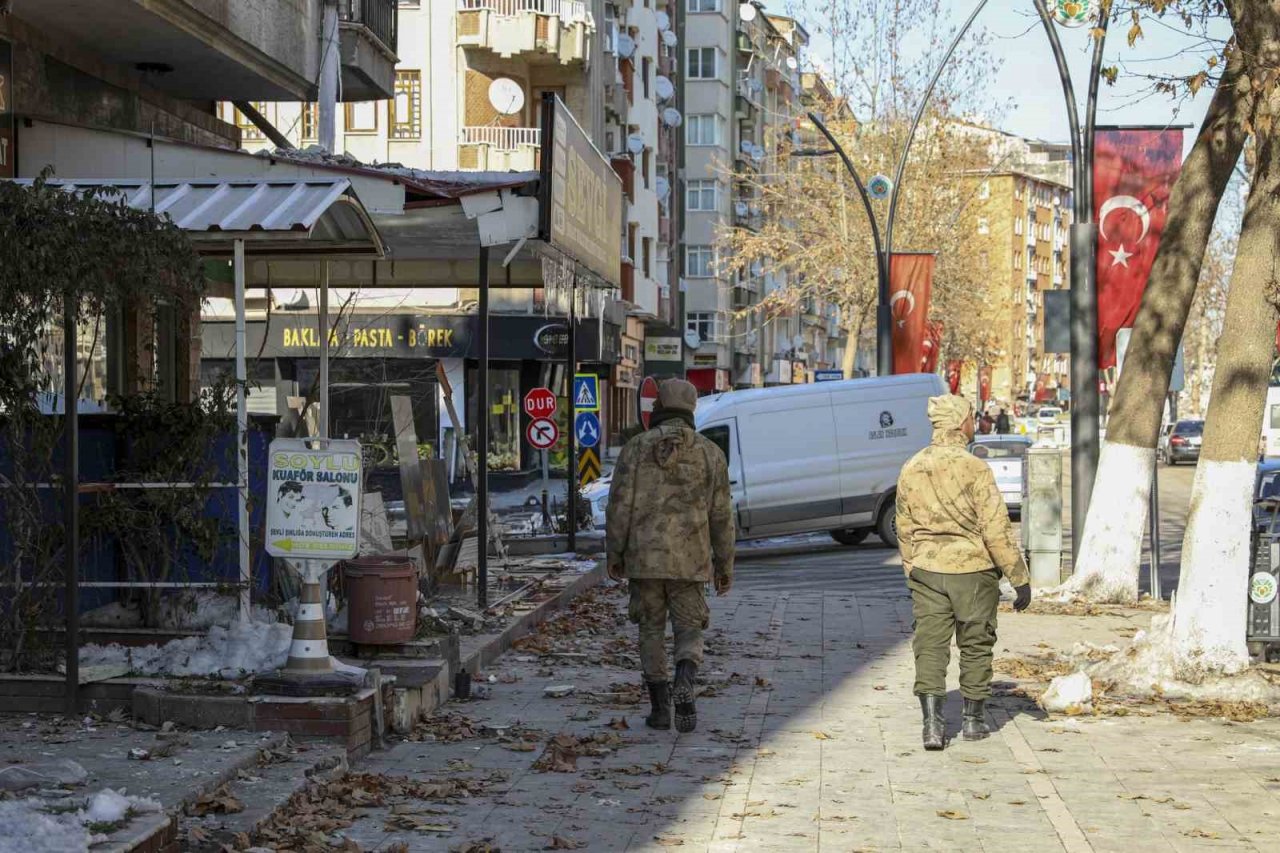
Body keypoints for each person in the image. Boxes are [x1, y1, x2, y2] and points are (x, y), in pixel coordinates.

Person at [896, 395, 1031, 751]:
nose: (975, 423)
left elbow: (904, 525)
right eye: (971, 417)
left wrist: (911, 567)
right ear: (959, 423)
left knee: (930, 644)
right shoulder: (975, 468)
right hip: (973, 570)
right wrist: (1018, 577)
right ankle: (973, 720)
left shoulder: (912, 466)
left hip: (927, 569)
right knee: (975, 643)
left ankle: (932, 725)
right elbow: (995, 528)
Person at [605, 379, 735, 733]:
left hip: (644, 561)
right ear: (691, 408)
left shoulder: (635, 449)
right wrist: (724, 565)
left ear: (659, 407)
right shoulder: (710, 454)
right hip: (691, 561)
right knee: (689, 628)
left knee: (650, 629)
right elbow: (721, 516)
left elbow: (619, 508)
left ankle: (660, 709)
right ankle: (685, 678)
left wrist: (615, 553)